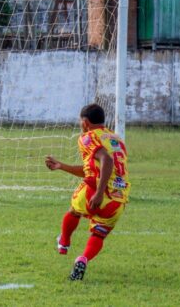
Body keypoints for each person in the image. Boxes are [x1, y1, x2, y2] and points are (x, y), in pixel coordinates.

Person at [45, 103, 130, 281]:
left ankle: (64, 242)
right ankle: (82, 259)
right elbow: (94, 168)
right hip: (117, 198)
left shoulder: (88, 137)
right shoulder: (117, 139)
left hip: (95, 190)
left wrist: (99, 193)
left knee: (74, 211)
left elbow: (106, 161)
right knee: (99, 233)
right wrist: (62, 166)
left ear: (85, 122)